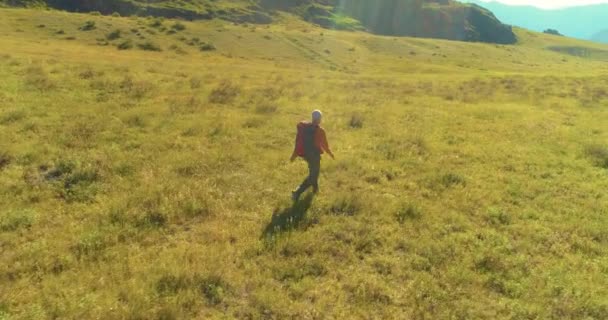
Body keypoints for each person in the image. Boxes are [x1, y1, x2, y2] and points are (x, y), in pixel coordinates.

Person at [290, 110, 335, 201]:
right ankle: (297, 192)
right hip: (314, 156)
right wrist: (331, 154)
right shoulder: (320, 131)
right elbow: (325, 146)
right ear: (320, 119)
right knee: (313, 176)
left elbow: (298, 143)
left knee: (314, 172)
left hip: (306, 155)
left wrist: (294, 155)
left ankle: (315, 191)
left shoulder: (304, 128)